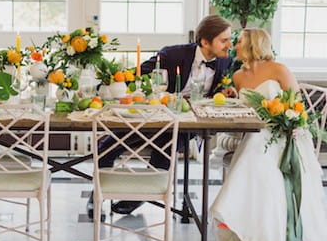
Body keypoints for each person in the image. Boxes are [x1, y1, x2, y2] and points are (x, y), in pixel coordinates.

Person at [210, 28, 327, 241]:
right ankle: (251, 231)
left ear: (253, 44)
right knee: (252, 148)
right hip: (254, 133)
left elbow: (298, 106)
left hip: (284, 135)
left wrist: (291, 123)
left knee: (254, 157)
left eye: (239, 42)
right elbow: (245, 109)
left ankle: (280, 238)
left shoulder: (279, 69)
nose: (234, 47)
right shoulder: (238, 77)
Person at [87, 15, 234, 218]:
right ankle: (96, 194)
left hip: (186, 123)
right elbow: (137, 74)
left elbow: (223, 88)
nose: (230, 44)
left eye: (230, 39)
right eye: (224, 40)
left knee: (166, 147)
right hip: (153, 114)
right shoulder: (172, 55)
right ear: (205, 42)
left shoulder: (226, 62)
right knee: (111, 144)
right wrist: (106, 85)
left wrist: (227, 91)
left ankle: (140, 195)